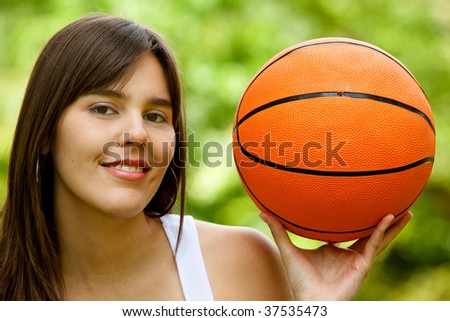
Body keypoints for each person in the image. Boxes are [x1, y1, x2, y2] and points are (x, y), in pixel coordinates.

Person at [0, 14, 412, 301]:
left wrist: (316, 310)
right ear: (44, 132)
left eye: (156, 115)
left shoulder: (241, 263)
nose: (139, 133)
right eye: (104, 108)